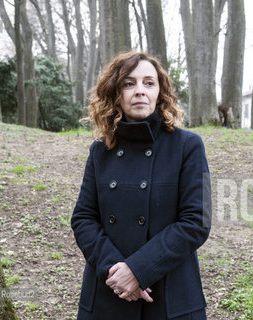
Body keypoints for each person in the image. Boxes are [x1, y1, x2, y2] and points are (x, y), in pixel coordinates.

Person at [71, 51, 211, 320]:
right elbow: (83, 218)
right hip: (108, 294)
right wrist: (117, 272)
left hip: (170, 298)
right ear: (116, 93)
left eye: (149, 83)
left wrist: (138, 270)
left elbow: (197, 221)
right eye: (129, 83)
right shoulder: (100, 151)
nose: (139, 91)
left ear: (160, 92)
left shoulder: (188, 146)